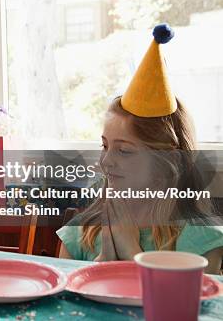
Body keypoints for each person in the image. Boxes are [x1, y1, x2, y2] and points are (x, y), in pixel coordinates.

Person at [57, 24, 223, 274]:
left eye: (124, 151)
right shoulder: (81, 233)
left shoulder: (201, 241)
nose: (106, 162)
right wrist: (102, 266)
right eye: (105, 146)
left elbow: (188, 310)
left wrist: (132, 254)